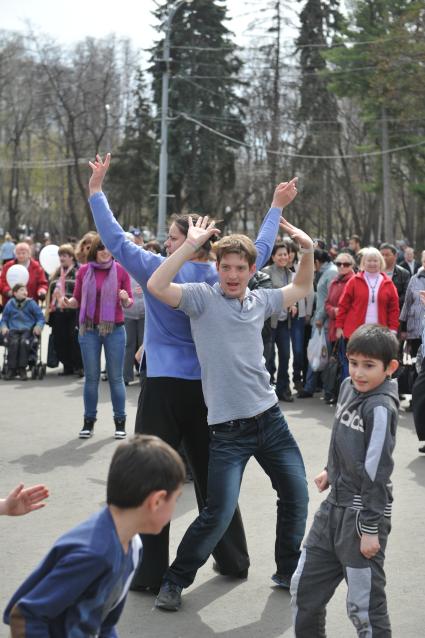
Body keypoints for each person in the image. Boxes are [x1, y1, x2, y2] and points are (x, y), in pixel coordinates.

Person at [88, 153, 296, 593]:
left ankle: (148, 574)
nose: (166, 243)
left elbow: (116, 239)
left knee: (154, 477)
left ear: (190, 241)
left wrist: (96, 191)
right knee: (212, 487)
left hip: (164, 389)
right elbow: (257, 250)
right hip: (208, 394)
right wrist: (275, 207)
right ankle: (234, 558)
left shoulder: (160, 270)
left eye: (173, 237)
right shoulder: (224, 276)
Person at [147, 213, 312, 611]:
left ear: (253, 270)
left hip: (270, 420)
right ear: (217, 269)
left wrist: (306, 248)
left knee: (296, 495)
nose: (233, 274)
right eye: (226, 267)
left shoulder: (262, 299)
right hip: (227, 430)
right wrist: (190, 245)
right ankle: (175, 579)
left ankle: (287, 570)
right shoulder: (202, 299)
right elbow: (156, 285)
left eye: (241, 268)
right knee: (217, 513)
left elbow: (303, 285)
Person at [3, 435, 185, 637]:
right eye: (176, 499)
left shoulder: (133, 545)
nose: (176, 507)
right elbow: (26, 615)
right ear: (157, 501)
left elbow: (104, 622)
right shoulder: (94, 555)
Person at [290, 324, 399, 637]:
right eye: (353, 363)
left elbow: (377, 472)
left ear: (390, 367)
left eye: (369, 366)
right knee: (304, 589)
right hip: (332, 508)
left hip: (362, 516)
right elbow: (341, 433)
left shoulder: (380, 408)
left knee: (364, 608)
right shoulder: (349, 386)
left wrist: (369, 530)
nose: (359, 373)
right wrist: (331, 469)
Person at [62, 235, 133, 439]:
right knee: (91, 378)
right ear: (94, 249)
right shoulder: (84, 270)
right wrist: (68, 303)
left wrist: (125, 298)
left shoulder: (120, 270)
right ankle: (88, 422)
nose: (104, 250)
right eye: (100, 247)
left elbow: (128, 303)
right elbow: (77, 299)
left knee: (116, 378)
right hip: (89, 329)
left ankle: (120, 422)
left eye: (107, 247)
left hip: (115, 330)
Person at [335, 247, 399, 341]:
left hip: (380, 334)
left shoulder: (388, 283)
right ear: (363, 262)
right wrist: (339, 326)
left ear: (380, 262)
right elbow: (343, 305)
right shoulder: (354, 281)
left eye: (375, 261)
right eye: (369, 260)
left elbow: (394, 309)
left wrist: (393, 329)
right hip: (355, 333)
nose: (372, 263)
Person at [298, 249, 337, 399]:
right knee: (317, 354)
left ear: (317, 261)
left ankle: (316, 388)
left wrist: (320, 317)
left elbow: (328, 299)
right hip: (320, 320)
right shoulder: (327, 272)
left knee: (320, 355)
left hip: (323, 322)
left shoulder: (330, 273)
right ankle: (312, 386)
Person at [263, 241, 297, 401]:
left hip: (285, 322)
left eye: (286, 254)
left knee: (285, 356)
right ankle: (267, 391)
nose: (284, 257)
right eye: (280, 254)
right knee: (268, 357)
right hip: (269, 323)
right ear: (273, 257)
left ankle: (283, 389)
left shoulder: (290, 273)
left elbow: (292, 294)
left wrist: (293, 304)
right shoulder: (266, 272)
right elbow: (265, 296)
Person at [45, 244, 83, 376]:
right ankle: (67, 366)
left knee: (74, 337)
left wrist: (65, 285)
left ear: (71, 257)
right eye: (60, 255)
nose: (61, 258)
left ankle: (79, 366)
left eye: (64, 255)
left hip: (73, 309)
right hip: (58, 311)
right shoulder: (56, 271)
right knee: (60, 338)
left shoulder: (78, 270)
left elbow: (80, 288)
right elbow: (49, 286)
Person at [0, 283, 45, 380]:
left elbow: (40, 317)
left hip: (27, 330)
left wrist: (38, 326)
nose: (25, 292)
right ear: (15, 293)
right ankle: (12, 369)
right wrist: (3, 327)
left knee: (24, 342)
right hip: (13, 330)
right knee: (13, 343)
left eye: (25, 290)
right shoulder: (10, 304)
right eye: (21, 290)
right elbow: (4, 319)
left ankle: (22, 369)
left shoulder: (31, 303)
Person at [123, 234, 145, 385]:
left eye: (131, 242)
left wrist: (144, 288)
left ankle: (144, 376)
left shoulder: (143, 259)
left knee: (144, 343)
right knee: (128, 344)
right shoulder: (119, 263)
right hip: (127, 312)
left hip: (144, 311)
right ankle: (125, 376)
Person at [0, 242, 48, 307]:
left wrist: (42, 290)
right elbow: (2, 282)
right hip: (10, 304)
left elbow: (42, 283)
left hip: (31, 304)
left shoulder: (36, 267)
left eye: (23, 253)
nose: (21, 255)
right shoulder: (8, 266)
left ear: (29, 254)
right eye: (18, 253)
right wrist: (8, 291)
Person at [399, 264, 425, 358]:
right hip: (415, 331)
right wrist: (403, 329)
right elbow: (407, 304)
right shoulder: (414, 279)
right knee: (416, 363)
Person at [379, 242, 410, 310]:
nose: (384, 257)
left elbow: (406, 295)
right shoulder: (375, 272)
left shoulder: (404, 273)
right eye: (382, 255)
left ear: (395, 256)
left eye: (387, 255)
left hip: (397, 311)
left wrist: (392, 303)